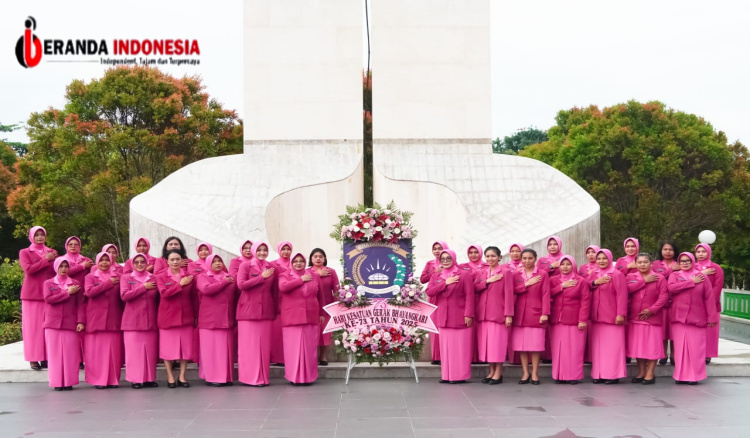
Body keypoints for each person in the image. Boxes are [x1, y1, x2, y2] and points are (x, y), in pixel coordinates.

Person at [667, 252, 718, 384]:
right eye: (682, 261)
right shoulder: (674, 275)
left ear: (692, 261)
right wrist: (691, 282)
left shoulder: (702, 276)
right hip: (679, 317)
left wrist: (712, 317)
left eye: (688, 261)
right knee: (680, 349)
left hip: (697, 318)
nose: (685, 263)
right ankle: (680, 376)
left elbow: (709, 298)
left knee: (696, 349)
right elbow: (671, 288)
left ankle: (695, 376)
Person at [425, 249, 475, 384]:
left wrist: (469, 314)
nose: (445, 261)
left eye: (448, 258)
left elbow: (470, 296)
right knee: (446, 348)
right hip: (443, 316)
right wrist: (445, 283)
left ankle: (459, 376)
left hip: (460, 315)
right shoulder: (437, 275)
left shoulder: (463, 274)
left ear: (454, 259)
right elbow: (429, 291)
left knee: (460, 348)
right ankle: (447, 375)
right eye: (443, 259)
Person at [278, 253, 323, 386]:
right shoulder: (284, 275)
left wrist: (321, 313)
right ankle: (294, 377)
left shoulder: (314, 275)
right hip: (292, 317)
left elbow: (320, 296)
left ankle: (309, 377)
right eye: (295, 261)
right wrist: (301, 280)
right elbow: (283, 287)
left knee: (309, 348)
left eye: (301, 261)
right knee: (293, 349)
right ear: (291, 263)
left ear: (305, 262)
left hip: (311, 315)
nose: (298, 263)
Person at [237, 241, 277, 386]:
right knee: (249, 347)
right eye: (259, 250)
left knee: (264, 347)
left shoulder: (272, 267)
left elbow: (275, 291)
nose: (262, 252)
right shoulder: (245, 265)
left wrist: (275, 309)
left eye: (264, 250)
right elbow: (241, 285)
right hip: (248, 311)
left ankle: (263, 377)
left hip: (266, 311)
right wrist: (261, 277)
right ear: (254, 251)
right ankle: (248, 377)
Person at [155, 249, 197, 388]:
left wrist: (195, 315)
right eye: (172, 259)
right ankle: (170, 376)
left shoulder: (189, 277)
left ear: (182, 260)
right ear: (167, 261)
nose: (175, 262)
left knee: (185, 349)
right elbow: (164, 293)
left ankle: (182, 376)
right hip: (168, 317)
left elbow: (194, 298)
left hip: (186, 317)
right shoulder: (161, 276)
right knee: (167, 349)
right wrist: (180, 284)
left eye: (177, 259)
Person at [43, 257, 85, 390]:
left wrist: (80, 321)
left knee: (70, 354)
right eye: (61, 266)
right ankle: (57, 382)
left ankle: (69, 382)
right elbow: (48, 299)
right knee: (54, 354)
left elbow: (80, 304)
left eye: (66, 266)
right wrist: (67, 293)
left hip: (70, 323)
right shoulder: (48, 283)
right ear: (56, 267)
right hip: (52, 323)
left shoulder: (75, 283)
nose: (64, 269)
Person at [626, 253, 668, 385]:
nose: (642, 264)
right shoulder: (630, 277)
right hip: (635, 317)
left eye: (645, 262)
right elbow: (626, 290)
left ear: (651, 263)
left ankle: (650, 373)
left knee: (652, 347)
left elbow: (663, 297)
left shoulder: (660, 278)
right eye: (639, 262)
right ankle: (641, 372)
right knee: (638, 347)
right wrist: (644, 281)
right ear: (635, 264)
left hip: (653, 318)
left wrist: (652, 310)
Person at [473, 246, 513, 384]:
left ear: (499, 257)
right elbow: (475, 287)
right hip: (483, 314)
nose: (490, 259)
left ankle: (498, 373)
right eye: (488, 256)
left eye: (493, 256)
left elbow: (509, 294)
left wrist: (508, 314)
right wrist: (487, 281)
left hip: (498, 314)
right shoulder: (482, 272)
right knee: (488, 345)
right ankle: (491, 371)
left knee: (497, 345)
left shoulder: (506, 272)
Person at [587, 249, 628, 384]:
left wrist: (620, 314)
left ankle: (612, 375)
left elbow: (622, 296)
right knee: (598, 348)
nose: (601, 261)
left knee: (612, 348)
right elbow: (585, 286)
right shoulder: (594, 273)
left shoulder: (617, 274)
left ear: (610, 259)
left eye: (604, 258)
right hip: (596, 317)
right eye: (599, 258)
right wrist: (595, 282)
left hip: (612, 317)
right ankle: (598, 374)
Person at [83, 252, 124, 389]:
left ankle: (112, 380)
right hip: (96, 318)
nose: (104, 262)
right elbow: (90, 292)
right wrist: (108, 283)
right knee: (97, 352)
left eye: (107, 260)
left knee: (113, 352)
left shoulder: (118, 277)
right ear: (97, 262)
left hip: (113, 317)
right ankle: (98, 380)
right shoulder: (90, 277)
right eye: (101, 260)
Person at [19, 226, 57, 370]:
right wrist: (45, 260)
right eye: (37, 235)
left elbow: (57, 271)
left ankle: (46, 356)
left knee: (48, 327)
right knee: (33, 328)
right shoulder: (25, 252)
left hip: (49, 294)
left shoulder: (52, 252)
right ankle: (33, 358)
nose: (40, 237)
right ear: (31, 237)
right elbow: (29, 270)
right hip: (32, 295)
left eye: (42, 234)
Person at [197, 254, 237, 387]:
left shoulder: (230, 277)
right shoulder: (203, 277)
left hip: (226, 318)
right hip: (209, 319)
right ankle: (212, 376)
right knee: (211, 350)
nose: (217, 263)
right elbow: (206, 289)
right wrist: (224, 282)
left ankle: (226, 377)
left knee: (224, 350)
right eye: (214, 261)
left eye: (219, 261)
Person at [120, 254, 159, 389]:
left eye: (142, 261)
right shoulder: (126, 278)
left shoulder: (153, 278)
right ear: (132, 264)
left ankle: (149, 378)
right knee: (134, 352)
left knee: (150, 351)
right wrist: (143, 287)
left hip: (150, 319)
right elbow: (125, 296)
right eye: (136, 262)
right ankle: (135, 379)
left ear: (147, 263)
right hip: (132, 320)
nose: (140, 264)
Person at [549, 255, 590, 384]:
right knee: (558, 350)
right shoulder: (553, 280)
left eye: (568, 264)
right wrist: (561, 286)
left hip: (574, 320)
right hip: (557, 320)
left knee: (574, 349)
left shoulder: (581, 281)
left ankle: (573, 376)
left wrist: (582, 320)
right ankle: (559, 376)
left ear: (573, 266)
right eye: (562, 264)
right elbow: (546, 294)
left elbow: (585, 302)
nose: (565, 267)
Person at [512, 249, 550, 385]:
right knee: (521, 345)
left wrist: (545, 313)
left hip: (536, 313)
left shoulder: (542, 274)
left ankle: (534, 373)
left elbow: (546, 294)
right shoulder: (516, 274)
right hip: (519, 315)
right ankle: (525, 372)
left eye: (530, 258)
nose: (527, 261)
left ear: (535, 259)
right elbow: (512, 291)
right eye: (524, 258)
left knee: (535, 345)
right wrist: (526, 284)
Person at [62, 236, 93, 370]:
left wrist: (88, 291)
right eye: (70, 244)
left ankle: (83, 358)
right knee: (72, 329)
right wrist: (81, 267)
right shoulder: (62, 260)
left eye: (76, 244)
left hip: (83, 296)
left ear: (80, 246)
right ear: (66, 246)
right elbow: (63, 272)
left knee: (83, 328)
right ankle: (76, 358)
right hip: (68, 296)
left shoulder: (86, 260)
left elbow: (92, 275)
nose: (73, 246)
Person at [420, 241, 449, 365]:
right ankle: (436, 356)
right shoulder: (430, 264)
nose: (437, 251)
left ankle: (446, 354)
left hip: (447, 298)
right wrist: (435, 271)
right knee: (434, 327)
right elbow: (422, 279)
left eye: (440, 248)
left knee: (446, 326)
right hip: (433, 298)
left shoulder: (451, 262)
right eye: (435, 249)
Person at [694, 243, 724, 364]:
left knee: (710, 330)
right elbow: (688, 280)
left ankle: (708, 354)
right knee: (696, 331)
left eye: (703, 251)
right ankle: (697, 352)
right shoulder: (692, 266)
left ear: (709, 252)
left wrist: (709, 304)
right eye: (698, 252)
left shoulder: (716, 268)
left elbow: (717, 286)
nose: (701, 254)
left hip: (712, 305)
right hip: (695, 305)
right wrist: (702, 272)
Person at [309, 248, 339, 366]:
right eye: (315, 256)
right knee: (313, 332)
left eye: (321, 256)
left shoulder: (331, 272)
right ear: (311, 259)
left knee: (325, 333)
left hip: (327, 306)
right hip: (311, 306)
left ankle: (323, 356)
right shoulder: (307, 272)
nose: (318, 258)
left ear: (325, 258)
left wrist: (336, 305)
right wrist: (317, 274)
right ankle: (312, 356)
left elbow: (336, 290)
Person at [653, 240, 679, 365]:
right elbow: (656, 278)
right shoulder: (656, 264)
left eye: (670, 249)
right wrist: (671, 270)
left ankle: (674, 354)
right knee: (662, 329)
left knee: (674, 329)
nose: (668, 252)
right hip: (660, 301)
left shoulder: (680, 263)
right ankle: (663, 354)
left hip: (676, 300)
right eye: (665, 249)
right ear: (661, 251)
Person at [268, 241, 293, 366]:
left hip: (292, 301)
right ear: (279, 250)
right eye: (283, 249)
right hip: (277, 299)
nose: (286, 252)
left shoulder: (296, 263)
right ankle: (277, 358)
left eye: (288, 249)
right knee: (277, 331)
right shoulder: (272, 264)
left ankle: (289, 357)